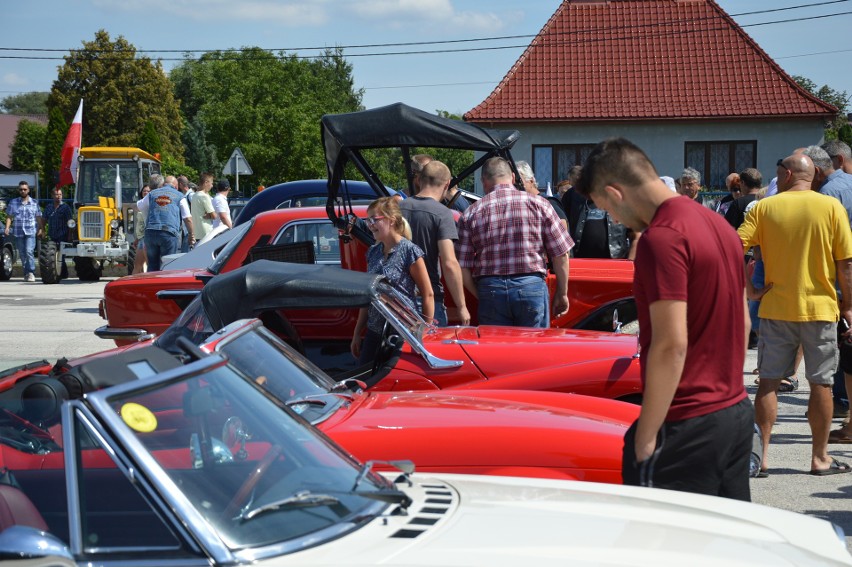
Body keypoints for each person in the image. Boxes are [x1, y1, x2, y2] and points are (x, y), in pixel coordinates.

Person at [574, 137, 753, 500]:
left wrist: (646, 434)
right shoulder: (717, 224)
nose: (612, 218)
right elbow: (744, 323)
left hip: (688, 420)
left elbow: (671, 344)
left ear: (615, 192)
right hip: (734, 410)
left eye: (604, 206)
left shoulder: (662, 238)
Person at [738, 153, 852, 476]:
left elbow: (733, 245)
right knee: (821, 385)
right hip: (819, 309)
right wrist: (848, 307)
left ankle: (762, 459)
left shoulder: (764, 207)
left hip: (775, 308)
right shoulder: (831, 208)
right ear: (813, 173)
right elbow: (845, 263)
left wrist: (750, 290)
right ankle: (819, 459)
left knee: (769, 384)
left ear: (787, 175)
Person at [456, 157, 572, 328]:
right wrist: (562, 293)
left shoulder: (471, 213)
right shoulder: (540, 204)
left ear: (484, 181)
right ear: (512, 177)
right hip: (531, 285)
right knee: (533, 348)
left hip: (491, 288)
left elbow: (462, 266)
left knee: (496, 352)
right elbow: (561, 254)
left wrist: (481, 293)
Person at [350, 197, 433, 365]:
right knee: (363, 379)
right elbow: (368, 296)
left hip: (403, 332)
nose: (370, 224)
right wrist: (357, 333)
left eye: (375, 219)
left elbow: (428, 294)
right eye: (368, 220)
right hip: (374, 330)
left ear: (392, 220)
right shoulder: (373, 252)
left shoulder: (409, 250)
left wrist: (426, 333)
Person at [399, 160, 470, 327]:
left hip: (399, 300)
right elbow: (449, 263)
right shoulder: (442, 213)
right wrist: (461, 306)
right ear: (447, 184)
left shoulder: (398, 208)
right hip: (429, 300)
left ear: (419, 180)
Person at [138, 174, 194, 272]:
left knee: (152, 264)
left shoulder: (152, 193)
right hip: (168, 233)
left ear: (164, 184)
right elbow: (187, 218)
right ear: (176, 186)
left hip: (151, 232)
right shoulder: (180, 196)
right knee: (167, 265)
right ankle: (163, 286)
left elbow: (140, 206)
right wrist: (191, 235)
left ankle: (152, 286)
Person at [3, 181, 43, 282]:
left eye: (25, 189)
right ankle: (26, 272)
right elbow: (9, 217)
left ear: (28, 190)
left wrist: (41, 229)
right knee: (22, 253)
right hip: (18, 231)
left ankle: (31, 272)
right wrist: (7, 228)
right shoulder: (13, 202)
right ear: (18, 190)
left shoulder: (34, 203)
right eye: (21, 189)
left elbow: (38, 217)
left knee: (29, 251)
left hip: (30, 231)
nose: (23, 191)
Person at [516, 160, 568, 231]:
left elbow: (562, 229)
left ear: (531, 181)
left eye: (519, 182)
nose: (516, 187)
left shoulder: (549, 202)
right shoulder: (522, 204)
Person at [42, 187, 73, 279]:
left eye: (60, 194)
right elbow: (44, 220)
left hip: (62, 235)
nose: (58, 196)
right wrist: (42, 230)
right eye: (56, 194)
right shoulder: (49, 207)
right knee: (52, 255)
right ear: (52, 196)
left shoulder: (65, 207)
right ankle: (61, 273)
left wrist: (70, 236)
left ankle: (62, 274)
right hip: (52, 234)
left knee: (61, 255)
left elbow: (70, 222)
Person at [191, 172, 216, 241]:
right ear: (206, 182)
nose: (212, 186)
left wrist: (209, 214)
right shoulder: (204, 197)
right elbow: (214, 216)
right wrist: (210, 215)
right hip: (206, 231)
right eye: (211, 183)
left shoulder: (194, 196)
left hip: (197, 232)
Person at [132, 185, 150, 274]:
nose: (146, 192)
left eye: (148, 191)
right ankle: (132, 285)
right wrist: (137, 238)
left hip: (148, 237)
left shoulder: (151, 204)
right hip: (141, 238)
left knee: (149, 263)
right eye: (144, 191)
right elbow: (139, 224)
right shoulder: (140, 204)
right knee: (137, 264)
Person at [177, 175, 195, 253]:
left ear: (180, 185)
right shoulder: (187, 195)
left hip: (190, 230)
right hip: (187, 230)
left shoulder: (190, 196)